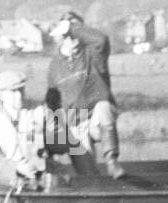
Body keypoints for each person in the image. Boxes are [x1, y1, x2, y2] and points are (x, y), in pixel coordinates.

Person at [45, 11, 123, 179]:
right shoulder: (55, 66)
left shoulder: (94, 54)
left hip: (97, 121)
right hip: (75, 123)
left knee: (104, 107)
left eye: (78, 31)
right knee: (87, 175)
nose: (72, 37)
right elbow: (52, 102)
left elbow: (100, 40)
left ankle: (111, 160)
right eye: (67, 33)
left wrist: (73, 27)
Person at [0, 70, 45, 187]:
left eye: (21, 90)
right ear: (1, 95)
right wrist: (15, 168)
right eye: (13, 91)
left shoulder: (38, 109)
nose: (19, 96)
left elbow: (59, 139)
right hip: (7, 179)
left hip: (39, 174)